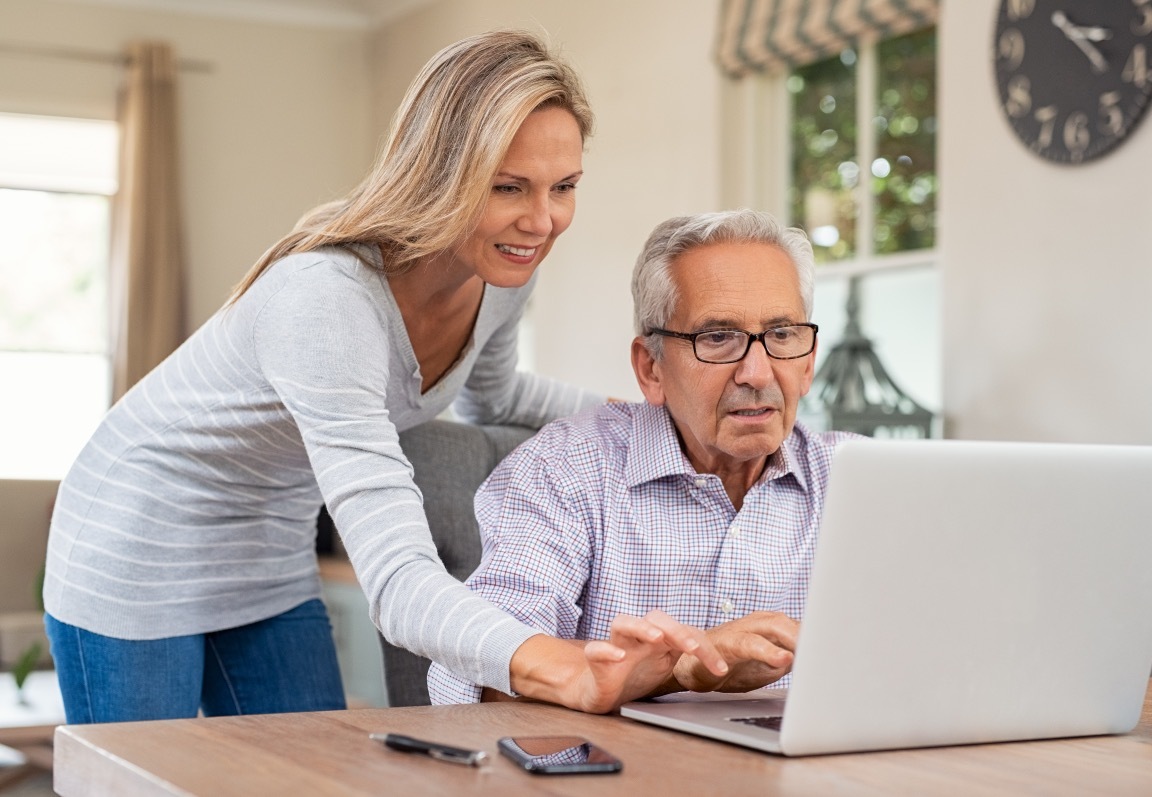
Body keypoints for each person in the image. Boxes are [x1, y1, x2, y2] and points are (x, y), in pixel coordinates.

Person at [42, 30, 725, 725]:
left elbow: (500, 394)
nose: (543, 220)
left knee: (306, 778)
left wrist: (659, 415)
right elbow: (400, 582)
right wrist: (559, 663)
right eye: (508, 186)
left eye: (565, 187)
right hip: (136, 536)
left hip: (267, 549)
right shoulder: (326, 301)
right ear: (440, 173)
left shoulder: (503, 273)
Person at [428, 209, 863, 705]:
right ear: (650, 368)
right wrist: (676, 671)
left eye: (782, 335)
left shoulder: (861, 482)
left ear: (808, 363)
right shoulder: (564, 469)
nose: (758, 373)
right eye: (717, 337)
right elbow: (476, 672)